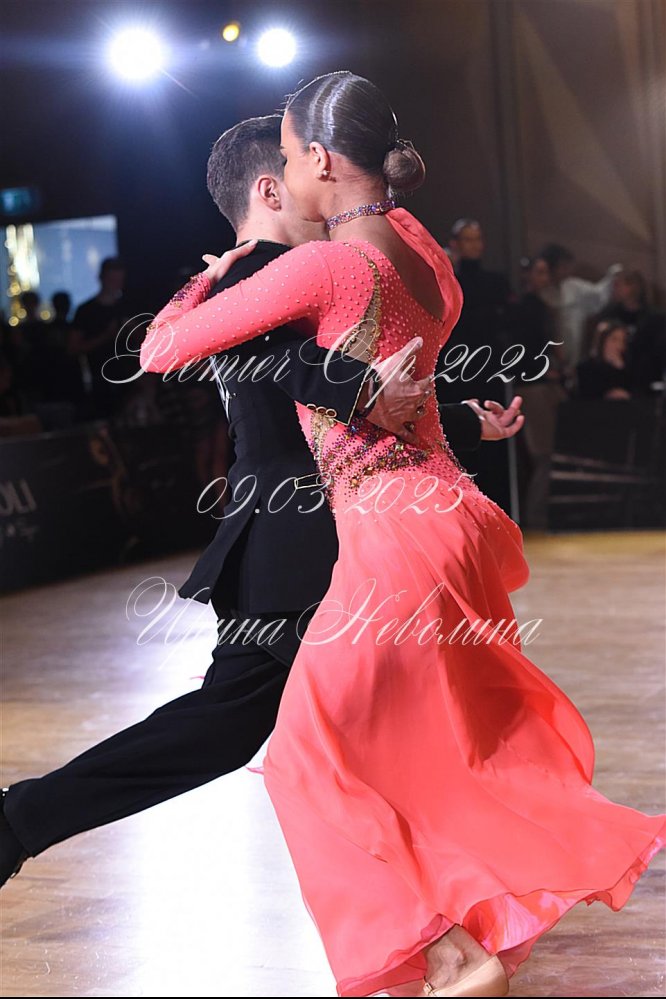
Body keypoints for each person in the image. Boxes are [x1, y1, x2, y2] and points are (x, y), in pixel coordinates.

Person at [139, 73, 665, 998]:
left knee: (304, 760)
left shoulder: (324, 267)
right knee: (414, 748)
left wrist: (214, 276)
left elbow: (160, 347)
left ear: (321, 160)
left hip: (390, 529)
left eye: (294, 155)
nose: (289, 172)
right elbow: (391, 368)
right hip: (451, 514)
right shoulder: (424, 252)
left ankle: (454, 956)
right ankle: (462, 943)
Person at [0, 116, 519, 889]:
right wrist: (365, 387)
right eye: (300, 166)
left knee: (253, 725)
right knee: (311, 726)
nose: (320, 181)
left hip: (300, 542)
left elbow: (342, 398)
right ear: (272, 188)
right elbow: (297, 367)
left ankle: (20, 819)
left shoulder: (254, 278)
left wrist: (460, 421)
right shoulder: (257, 280)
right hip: (301, 545)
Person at [434, 218, 514, 511]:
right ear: (455, 243)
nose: (474, 245)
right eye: (468, 239)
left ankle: (497, 506)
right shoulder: (447, 279)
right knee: (459, 434)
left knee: (492, 434)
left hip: (488, 369)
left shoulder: (495, 282)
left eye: (477, 239)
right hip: (453, 370)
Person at [512, 255, 567, 529]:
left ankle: (542, 516)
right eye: (539, 272)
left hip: (543, 384)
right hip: (533, 386)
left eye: (546, 272)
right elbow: (525, 351)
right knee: (543, 455)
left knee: (547, 454)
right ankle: (537, 518)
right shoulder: (525, 308)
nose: (543, 278)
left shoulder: (542, 306)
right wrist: (545, 371)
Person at [539, 243, 621, 370]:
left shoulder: (573, 287)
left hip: (575, 353)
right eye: (562, 267)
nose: (566, 271)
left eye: (567, 267)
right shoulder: (539, 293)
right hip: (546, 359)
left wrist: (612, 276)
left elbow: (597, 295)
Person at [70, 257, 128, 418]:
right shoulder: (86, 311)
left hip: (129, 380)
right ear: (102, 278)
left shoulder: (126, 307)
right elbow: (73, 348)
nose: (116, 284)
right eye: (112, 280)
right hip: (100, 381)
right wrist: (106, 336)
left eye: (119, 280)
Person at [576, 320, 633, 401]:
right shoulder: (586, 367)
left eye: (622, 340)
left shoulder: (628, 367)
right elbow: (587, 395)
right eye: (614, 339)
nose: (619, 345)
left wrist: (620, 368)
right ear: (602, 340)